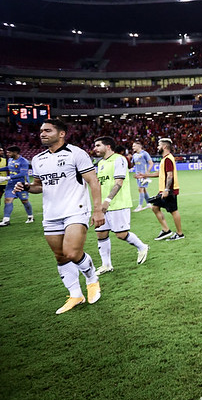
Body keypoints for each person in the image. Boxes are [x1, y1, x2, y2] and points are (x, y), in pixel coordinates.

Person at [17, 119, 104, 315]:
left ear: (62, 133)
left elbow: (93, 182)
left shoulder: (76, 153)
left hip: (75, 209)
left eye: (47, 130)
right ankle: (75, 294)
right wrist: (28, 187)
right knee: (60, 256)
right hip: (51, 213)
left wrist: (98, 210)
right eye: (41, 131)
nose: (42, 134)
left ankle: (92, 280)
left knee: (72, 252)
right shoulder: (38, 159)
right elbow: (39, 185)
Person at [92, 136, 150, 274]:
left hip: (118, 204)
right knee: (101, 233)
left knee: (121, 234)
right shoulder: (100, 163)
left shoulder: (119, 159)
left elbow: (119, 182)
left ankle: (142, 247)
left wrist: (107, 201)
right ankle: (106, 265)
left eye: (98, 145)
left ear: (108, 147)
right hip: (103, 205)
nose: (95, 148)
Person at [137, 138, 184, 241]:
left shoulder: (167, 159)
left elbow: (170, 176)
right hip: (164, 189)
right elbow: (160, 174)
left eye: (158, 145)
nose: (157, 147)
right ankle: (166, 230)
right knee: (155, 207)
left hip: (169, 190)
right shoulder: (165, 158)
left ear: (164, 147)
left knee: (173, 211)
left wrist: (167, 190)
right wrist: (145, 175)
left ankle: (180, 234)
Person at [0, 145, 35, 226]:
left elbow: (22, 174)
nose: (7, 154)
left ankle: (30, 216)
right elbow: (9, 167)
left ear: (15, 152)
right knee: (8, 200)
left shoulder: (23, 161)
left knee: (24, 201)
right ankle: (6, 220)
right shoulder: (10, 159)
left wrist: (7, 178)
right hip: (11, 184)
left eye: (9, 152)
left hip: (21, 184)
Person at [131, 140, 154, 212]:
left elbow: (151, 163)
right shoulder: (134, 155)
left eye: (134, 146)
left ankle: (140, 206)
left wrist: (147, 173)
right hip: (138, 175)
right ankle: (149, 203)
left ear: (139, 146)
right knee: (143, 189)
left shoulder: (145, 153)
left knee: (140, 188)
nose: (133, 147)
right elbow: (132, 165)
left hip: (144, 175)